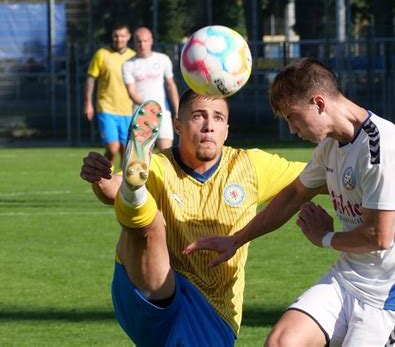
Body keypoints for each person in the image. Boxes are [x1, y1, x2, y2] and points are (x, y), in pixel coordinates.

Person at [185, 58, 395, 346]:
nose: (292, 129)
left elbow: (379, 237)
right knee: (282, 342)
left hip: (393, 296)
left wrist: (324, 237)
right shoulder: (330, 147)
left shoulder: (381, 148)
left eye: (293, 117)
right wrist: (236, 240)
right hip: (348, 279)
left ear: (319, 103)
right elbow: (293, 195)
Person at [79, 89, 307, 346]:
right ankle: (136, 197)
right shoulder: (157, 166)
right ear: (178, 126)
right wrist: (102, 179)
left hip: (215, 311)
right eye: (199, 116)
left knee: (146, 212)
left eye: (218, 118)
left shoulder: (250, 166)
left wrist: (353, 151)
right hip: (150, 291)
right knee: (151, 222)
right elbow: (114, 188)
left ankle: (136, 198)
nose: (209, 126)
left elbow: (318, 176)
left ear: (227, 130)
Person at [84, 24, 136, 170]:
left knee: (125, 151)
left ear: (128, 37)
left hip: (127, 110)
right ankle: (103, 175)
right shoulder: (102, 54)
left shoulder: (133, 57)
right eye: (116, 36)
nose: (119, 39)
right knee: (112, 149)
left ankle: (121, 184)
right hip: (106, 108)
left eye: (122, 36)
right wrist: (88, 103)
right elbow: (90, 78)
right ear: (112, 37)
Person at [122, 27, 179, 151]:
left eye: (145, 41)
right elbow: (131, 92)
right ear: (134, 43)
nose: (142, 44)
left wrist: (177, 110)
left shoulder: (163, 59)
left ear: (151, 41)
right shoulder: (128, 65)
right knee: (142, 156)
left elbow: (171, 85)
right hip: (141, 116)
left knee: (166, 153)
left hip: (163, 113)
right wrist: (148, 108)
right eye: (139, 41)